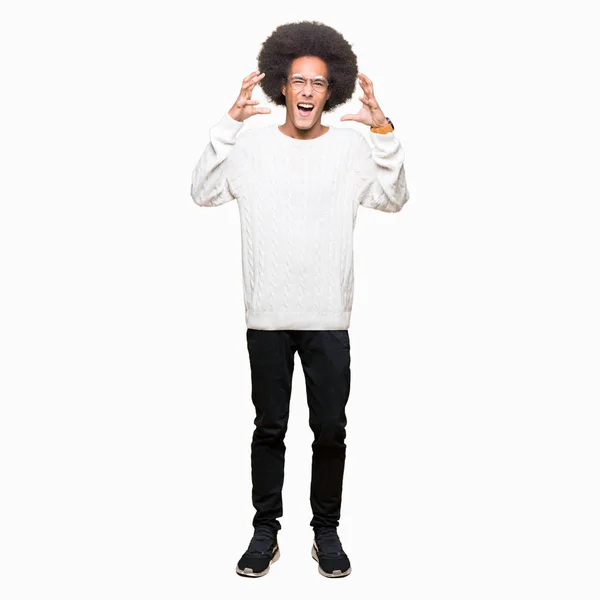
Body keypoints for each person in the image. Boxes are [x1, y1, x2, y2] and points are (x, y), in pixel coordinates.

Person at [190, 20, 410, 578]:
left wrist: (383, 129)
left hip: (327, 317)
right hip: (266, 316)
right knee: (269, 429)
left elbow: (395, 197)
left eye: (317, 82)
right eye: (297, 80)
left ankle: (326, 532)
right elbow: (202, 192)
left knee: (330, 429)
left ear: (330, 88)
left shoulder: (352, 148)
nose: (308, 91)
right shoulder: (252, 146)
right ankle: (266, 532)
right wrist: (228, 123)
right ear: (281, 87)